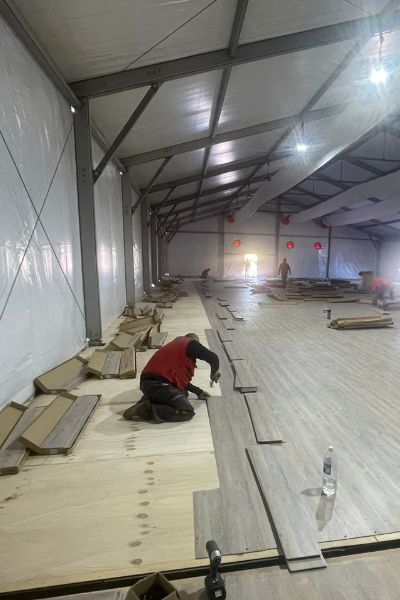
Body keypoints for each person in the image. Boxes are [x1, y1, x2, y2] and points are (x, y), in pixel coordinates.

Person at [123, 333, 221, 423]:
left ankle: (147, 400)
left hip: (148, 385)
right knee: (187, 411)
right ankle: (147, 410)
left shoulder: (175, 349)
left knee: (183, 392)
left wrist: (198, 391)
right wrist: (213, 373)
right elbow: (213, 358)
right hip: (159, 384)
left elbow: (180, 382)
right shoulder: (190, 344)